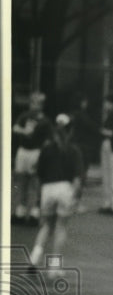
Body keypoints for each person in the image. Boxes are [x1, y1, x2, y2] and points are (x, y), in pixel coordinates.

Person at [29, 114, 84, 273]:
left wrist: (39, 197)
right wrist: (76, 197)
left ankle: (34, 259)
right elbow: (78, 179)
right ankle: (54, 266)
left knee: (46, 226)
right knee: (61, 227)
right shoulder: (73, 150)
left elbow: (38, 174)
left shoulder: (46, 148)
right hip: (65, 189)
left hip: (48, 189)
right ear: (71, 131)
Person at [12, 91, 51, 226]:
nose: (35, 105)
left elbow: (47, 140)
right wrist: (24, 131)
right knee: (21, 180)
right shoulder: (24, 116)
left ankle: (34, 212)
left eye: (39, 103)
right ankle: (20, 211)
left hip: (35, 151)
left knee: (34, 182)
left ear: (42, 105)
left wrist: (43, 154)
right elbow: (15, 127)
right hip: (23, 150)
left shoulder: (44, 121)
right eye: (33, 102)